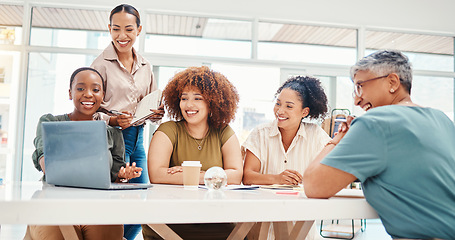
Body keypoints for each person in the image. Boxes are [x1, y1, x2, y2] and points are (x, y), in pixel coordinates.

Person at [303, 50, 455, 239]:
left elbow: (313, 185)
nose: (356, 100)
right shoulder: (442, 120)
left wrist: (337, 139)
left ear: (392, 82)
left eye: (360, 86)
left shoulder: (376, 121)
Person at [30, 67, 142, 240]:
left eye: (95, 90)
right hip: (56, 205)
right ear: (70, 93)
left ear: (103, 96)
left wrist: (123, 175)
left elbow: (114, 180)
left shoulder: (114, 134)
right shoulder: (50, 122)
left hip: (97, 207)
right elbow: (44, 159)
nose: (88, 94)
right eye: (80, 88)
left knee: (110, 231)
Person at [143, 66, 243, 239]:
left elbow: (236, 175)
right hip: (169, 223)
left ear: (212, 102)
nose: (189, 105)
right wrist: (214, 177)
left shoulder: (223, 132)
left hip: (217, 223)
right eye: (184, 98)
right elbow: (157, 175)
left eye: (198, 98)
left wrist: (192, 174)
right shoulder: (168, 130)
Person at [90, 4, 163, 239]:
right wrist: (113, 119)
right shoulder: (100, 65)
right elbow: (89, 110)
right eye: (116, 29)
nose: (123, 36)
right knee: (114, 203)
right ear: (109, 29)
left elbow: (150, 103)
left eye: (129, 29)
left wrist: (156, 113)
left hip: (138, 137)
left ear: (139, 30)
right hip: (111, 141)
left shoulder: (145, 66)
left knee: (141, 202)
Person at [242, 76, 330, 240]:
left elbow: (329, 173)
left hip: (302, 223)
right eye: (278, 103)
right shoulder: (260, 133)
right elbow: (247, 177)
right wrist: (277, 178)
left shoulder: (316, 135)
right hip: (262, 224)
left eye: (289, 106)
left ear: (304, 112)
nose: (280, 111)